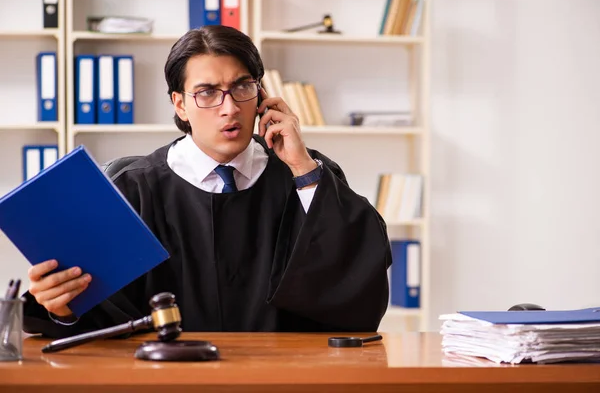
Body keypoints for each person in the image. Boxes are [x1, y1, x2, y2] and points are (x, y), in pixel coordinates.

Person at [22, 25, 392, 338]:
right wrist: (61, 306)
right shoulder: (131, 190)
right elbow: (102, 317)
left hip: (282, 380)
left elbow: (358, 284)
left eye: (242, 87)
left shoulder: (305, 177)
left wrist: (304, 169)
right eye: (207, 93)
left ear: (261, 96)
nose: (229, 107)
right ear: (180, 104)